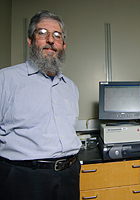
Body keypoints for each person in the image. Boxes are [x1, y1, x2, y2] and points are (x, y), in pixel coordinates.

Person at [0, 11, 81, 200]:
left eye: (57, 36)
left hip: (69, 176)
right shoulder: (6, 79)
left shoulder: (71, 87)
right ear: (30, 40)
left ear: (63, 45)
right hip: (24, 178)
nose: (51, 40)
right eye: (42, 33)